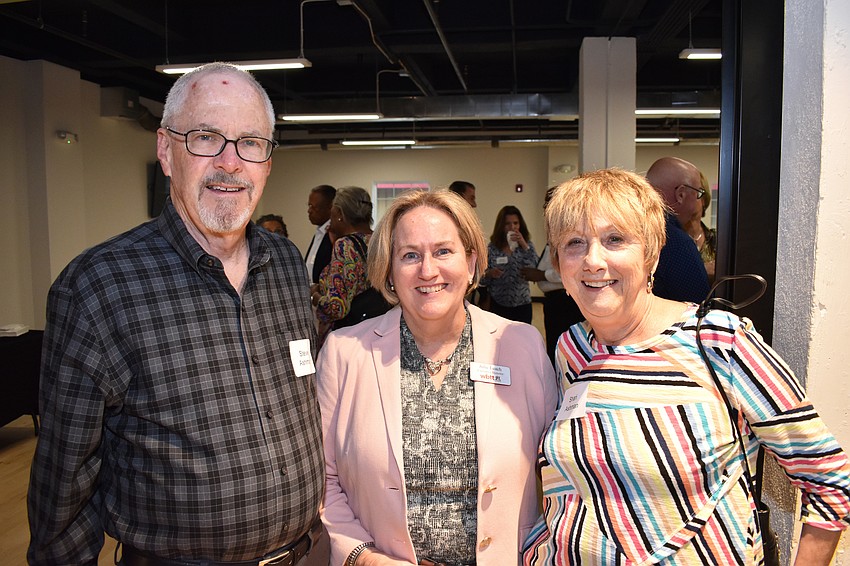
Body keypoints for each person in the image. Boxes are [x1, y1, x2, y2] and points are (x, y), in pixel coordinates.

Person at [27, 63, 326, 565]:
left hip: (308, 554)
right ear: (166, 151)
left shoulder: (287, 265)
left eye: (250, 142)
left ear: (268, 162)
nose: (231, 163)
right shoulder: (98, 287)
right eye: (207, 137)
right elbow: (64, 487)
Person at [523, 168, 850, 565]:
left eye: (615, 239)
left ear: (651, 253)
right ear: (558, 260)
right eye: (575, 243)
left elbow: (827, 476)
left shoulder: (717, 341)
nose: (593, 261)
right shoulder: (572, 348)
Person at [317, 189, 557, 566]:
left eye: (444, 251)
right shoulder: (345, 353)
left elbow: (559, 472)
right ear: (389, 271)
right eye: (410, 255)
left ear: (472, 262)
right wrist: (363, 557)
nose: (428, 270)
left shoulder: (521, 345)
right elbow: (324, 478)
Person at [311, 186, 385, 345]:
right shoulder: (380, 242)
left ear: (338, 214)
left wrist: (315, 296)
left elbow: (336, 308)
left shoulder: (345, 246)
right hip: (378, 334)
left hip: (348, 339)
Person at [520, 187, 583, 365]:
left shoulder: (571, 230)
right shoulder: (556, 231)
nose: (545, 208)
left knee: (566, 351)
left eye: (549, 202)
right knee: (555, 349)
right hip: (554, 301)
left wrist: (541, 274)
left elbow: (573, 268)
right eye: (545, 203)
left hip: (566, 301)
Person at [645, 156, 710, 303]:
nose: (697, 202)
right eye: (698, 193)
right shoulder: (677, 243)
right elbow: (699, 310)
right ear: (680, 195)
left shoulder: (628, 230)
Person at [481, 205, 537, 323]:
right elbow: (481, 279)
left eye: (515, 223)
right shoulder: (492, 248)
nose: (512, 227)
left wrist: (524, 245)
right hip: (498, 304)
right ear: (501, 226)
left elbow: (535, 268)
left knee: (523, 339)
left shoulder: (527, 245)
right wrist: (490, 274)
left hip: (522, 303)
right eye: (508, 224)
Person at [682, 170, 718, 284]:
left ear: (704, 199)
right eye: (684, 193)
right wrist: (703, 270)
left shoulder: (719, 239)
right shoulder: (668, 241)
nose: (689, 199)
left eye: (696, 193)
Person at [305, 184, 337, 285]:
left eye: (313, 207)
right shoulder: (319, 232)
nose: (309, 211)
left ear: (329, 208)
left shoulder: (335, 234)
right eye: (309, 206)